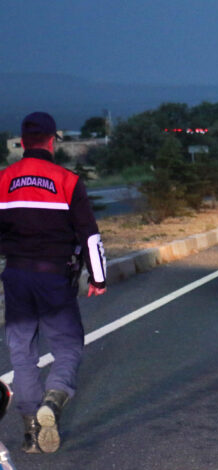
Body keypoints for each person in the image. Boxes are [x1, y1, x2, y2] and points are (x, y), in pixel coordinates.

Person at [0, 112, 107, 453]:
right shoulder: (67, 180)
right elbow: (89, 235)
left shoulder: (3, 179)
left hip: (16, 275)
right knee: (68, 345)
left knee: (22, 353)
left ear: (23, 141)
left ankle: (31, 431)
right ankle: (55, 397)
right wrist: (99, 277)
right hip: (54, 276)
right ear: (51, 141)